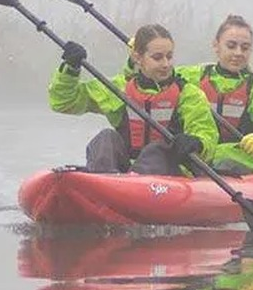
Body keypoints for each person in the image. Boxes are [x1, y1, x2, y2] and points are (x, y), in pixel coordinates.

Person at [49, 23, 217, 176]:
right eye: (157, 58)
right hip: (122, 173)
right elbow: (64, 102)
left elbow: (206, 133)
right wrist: (70, 69)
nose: (166, 64)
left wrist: (197, 143)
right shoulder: (118, 89)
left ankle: (126, 186)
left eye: (169, 56)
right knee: (105, 137)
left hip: (170, 173)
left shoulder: (188, 94)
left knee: (156, 150)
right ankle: (105, 180)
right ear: (138, 58)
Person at [178, 14, 253, 175]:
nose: (238, 53)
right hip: (194, 155)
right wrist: (137, 60)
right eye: (231, 46)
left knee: (223, 160)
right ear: (216, 46)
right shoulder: (191, 76)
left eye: (245, 48)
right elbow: (151, 76)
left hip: (238, 160)